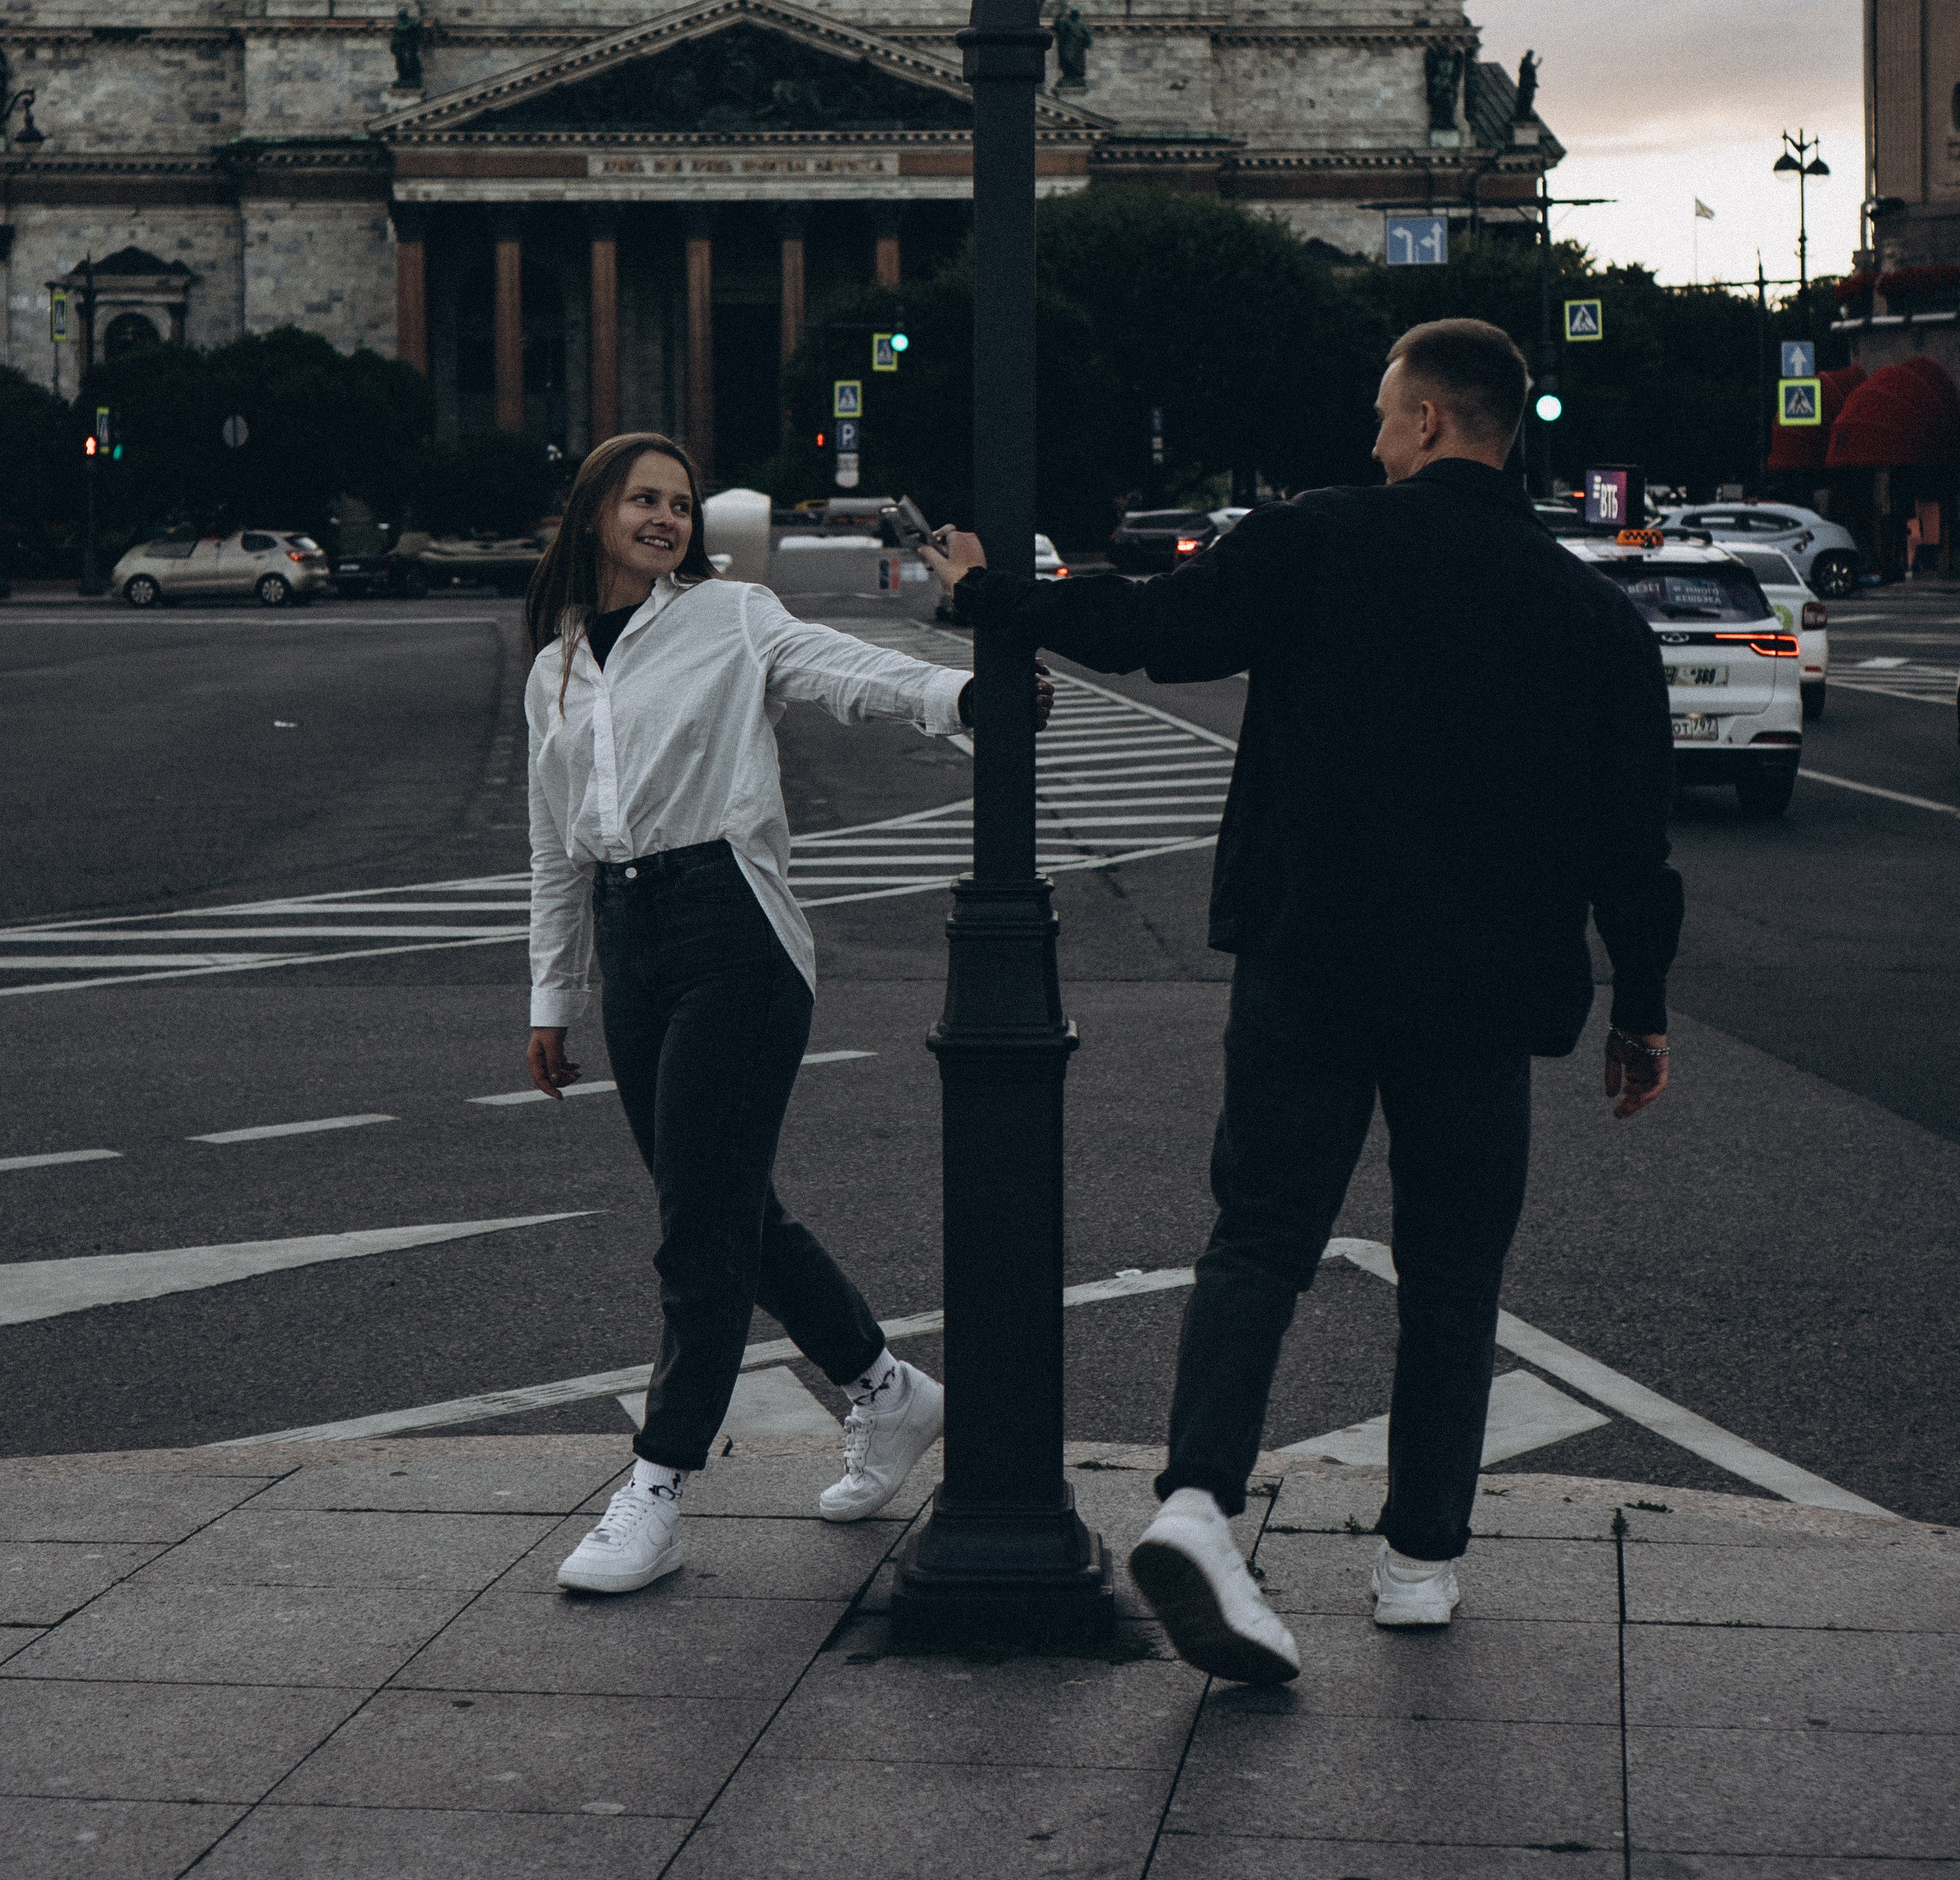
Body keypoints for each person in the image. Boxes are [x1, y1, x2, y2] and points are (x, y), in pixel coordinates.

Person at [925, 319, 1681, 1685]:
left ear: (1433, 421)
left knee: (1261, 1238)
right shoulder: (1592, 617)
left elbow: (1156, 630)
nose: (1374, 440)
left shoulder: (1320, 536)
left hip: (1311, 958)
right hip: (1482, 994)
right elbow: (1633, 846)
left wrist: (992, 595)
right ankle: (1420, 1565)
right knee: (1453, 1278)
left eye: (1387, 415)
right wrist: (1644, 1009)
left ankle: (1199, 1503)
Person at [529, 433, 1002, 1598]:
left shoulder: (731, 617)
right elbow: (553, 847)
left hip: (733, 936)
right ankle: (889, 1392)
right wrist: (553, 998)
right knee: (730, 1206)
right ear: (594, 515)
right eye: (643, 500)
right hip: (629, 941)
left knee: (699, 1227)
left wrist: (961, 695)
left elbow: (845, 668)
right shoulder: (557, 669)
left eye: (680, 504)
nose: (666, 519)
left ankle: (658, 1486)